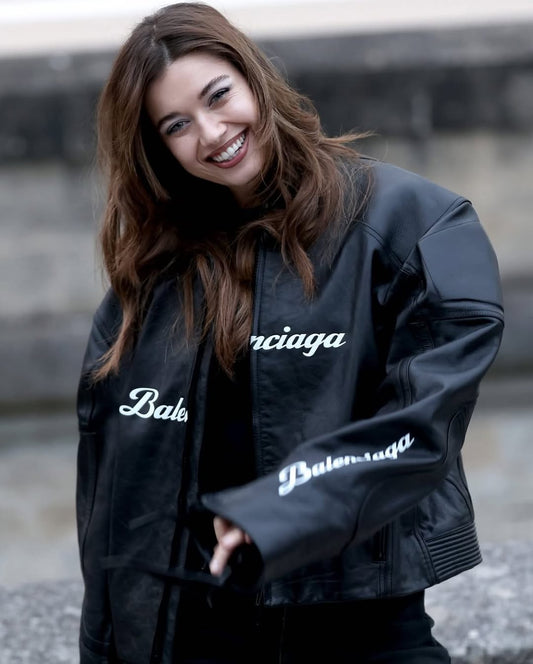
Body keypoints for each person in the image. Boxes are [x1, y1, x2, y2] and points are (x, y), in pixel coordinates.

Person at [75, 3, 504, 663]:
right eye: (177, 125)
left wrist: (275, 511)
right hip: (194, 638)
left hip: (362, 630)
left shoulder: (411, 224)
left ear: (254, 78)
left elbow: (421, 425)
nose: (212, 133)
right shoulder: (153, 278)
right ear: (159, 149)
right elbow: (109, 499)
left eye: (218, 96)